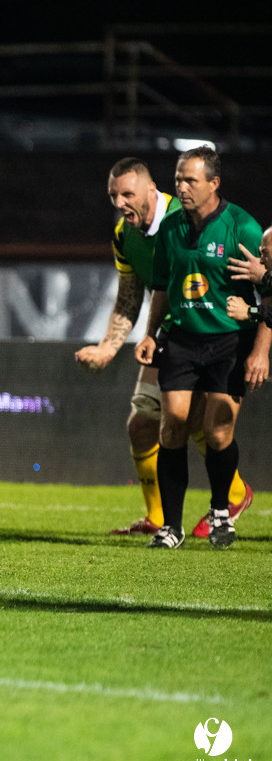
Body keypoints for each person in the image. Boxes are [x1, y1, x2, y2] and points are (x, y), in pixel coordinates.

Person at [75, 158, 254, 536]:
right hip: (170, 336)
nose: (119, 203)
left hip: (210, 334)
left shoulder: (184, 215)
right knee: (143, 424)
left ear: (152, 190)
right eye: (113, 196)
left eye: (127, 194)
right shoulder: (125, 234)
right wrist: (109, 347)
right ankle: (159, 519)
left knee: (192, 423)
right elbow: (130, 295)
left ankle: (231, 496)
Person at [134, 146, 268, 550]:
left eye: (190, 180)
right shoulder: (171, 229)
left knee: (217, 429)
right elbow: (161, 287)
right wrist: (150, 333)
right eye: (178, 179)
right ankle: (170, 528)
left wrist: (261, 351)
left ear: (214, 183)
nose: (182, 187)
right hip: (182, 339)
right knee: (171, 423)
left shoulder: (242, 227)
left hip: (230, 341)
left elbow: (270, 292)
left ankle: (221, 513)